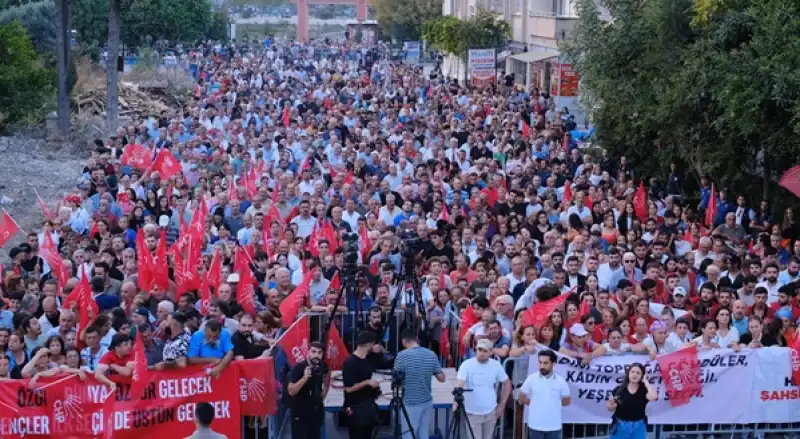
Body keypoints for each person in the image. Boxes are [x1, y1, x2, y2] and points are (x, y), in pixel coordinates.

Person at [392, 329, 447, 439]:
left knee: (408, 434)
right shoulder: (431, 354)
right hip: (427, 400)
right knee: (423, 434)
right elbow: (442, 378)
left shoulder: (402, 356)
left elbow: (396, 378)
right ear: (417, 339)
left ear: (403, 341)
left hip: (410, 402)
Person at [454, 338, 512, 439]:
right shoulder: (466, 365)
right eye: (479, 350)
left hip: (490, 412)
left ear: (490, 352)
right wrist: (456, 400)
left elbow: (507, 384)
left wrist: (502, 405)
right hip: (472, 413)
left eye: (485, 351)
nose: (481, 353)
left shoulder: (496, 365)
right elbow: (460, 384)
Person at [518, 350, 570, 439]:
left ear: (553, 363)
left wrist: (552, 404)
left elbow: (566, 401)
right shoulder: (531, 379)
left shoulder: (560, 381)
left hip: (554, 426)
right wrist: (535, 403)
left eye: (546, 363)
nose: (542, 366)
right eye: (540, 362)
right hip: (535, 426)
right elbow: (521, 396)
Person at [342, 331, 382, 439]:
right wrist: (367, 382)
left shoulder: (367, 360)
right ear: (369, 344)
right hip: (355, 408)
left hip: (367, 405)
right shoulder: (349, 363)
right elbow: (348, 388)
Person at [288, 341, 329, 439]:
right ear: (308, 352)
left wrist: (323, 393)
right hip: (300, 413)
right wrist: (304, 378)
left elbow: (327, 376)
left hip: (316, 411)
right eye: (313, 352)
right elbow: (291, 391)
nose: (316, 355)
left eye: (320, 353)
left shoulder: (323, 365)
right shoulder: (298, 368)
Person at [605, 363, 658, 439]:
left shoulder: (644, 390)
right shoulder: (619, 389)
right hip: (620, 426)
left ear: (642, 376)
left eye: (638, 373)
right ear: (628, 373)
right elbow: (610, 407)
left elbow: (654, 397)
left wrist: (646, 382)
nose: (634, 375)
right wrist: (610, 406)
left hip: (639, 427)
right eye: (632, 372)